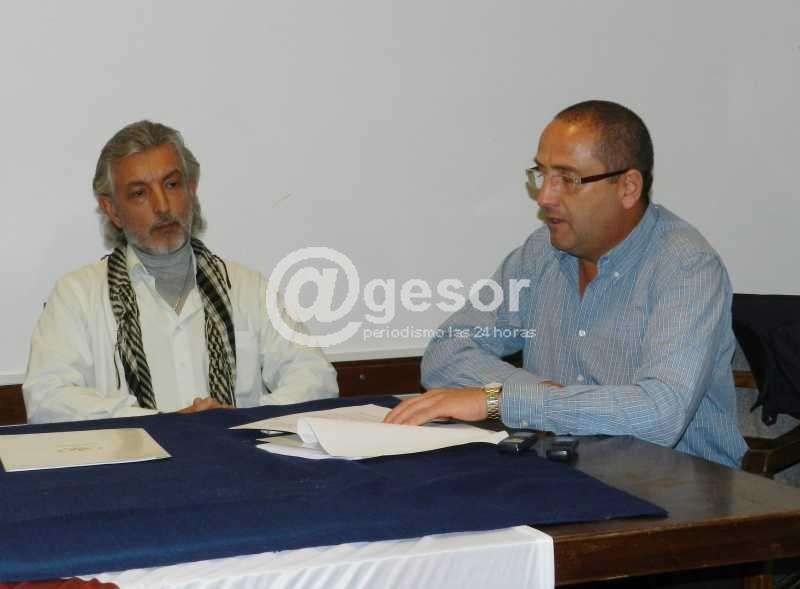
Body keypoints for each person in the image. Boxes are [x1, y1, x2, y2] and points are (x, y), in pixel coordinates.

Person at [386, 100, 747, 468]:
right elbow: (446, 352)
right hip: (563, 470)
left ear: (627, 187)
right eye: (542, 174)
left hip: (678, 484)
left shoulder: (686, 267)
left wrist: (501, 400)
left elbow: (660, 415)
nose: (545, 196)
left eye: (568, 179)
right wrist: (543, 396)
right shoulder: (540, 253)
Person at [23, 121, 338, 423]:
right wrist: (160, 424)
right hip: (130, 460)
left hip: (235, 458)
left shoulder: (248, 287)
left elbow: (316, 378)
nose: (162, 206)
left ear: (191, 190)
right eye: (139, 193)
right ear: (112, 210)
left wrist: (239, 419)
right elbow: (47, 399)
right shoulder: (77, 296)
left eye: (171, 185)